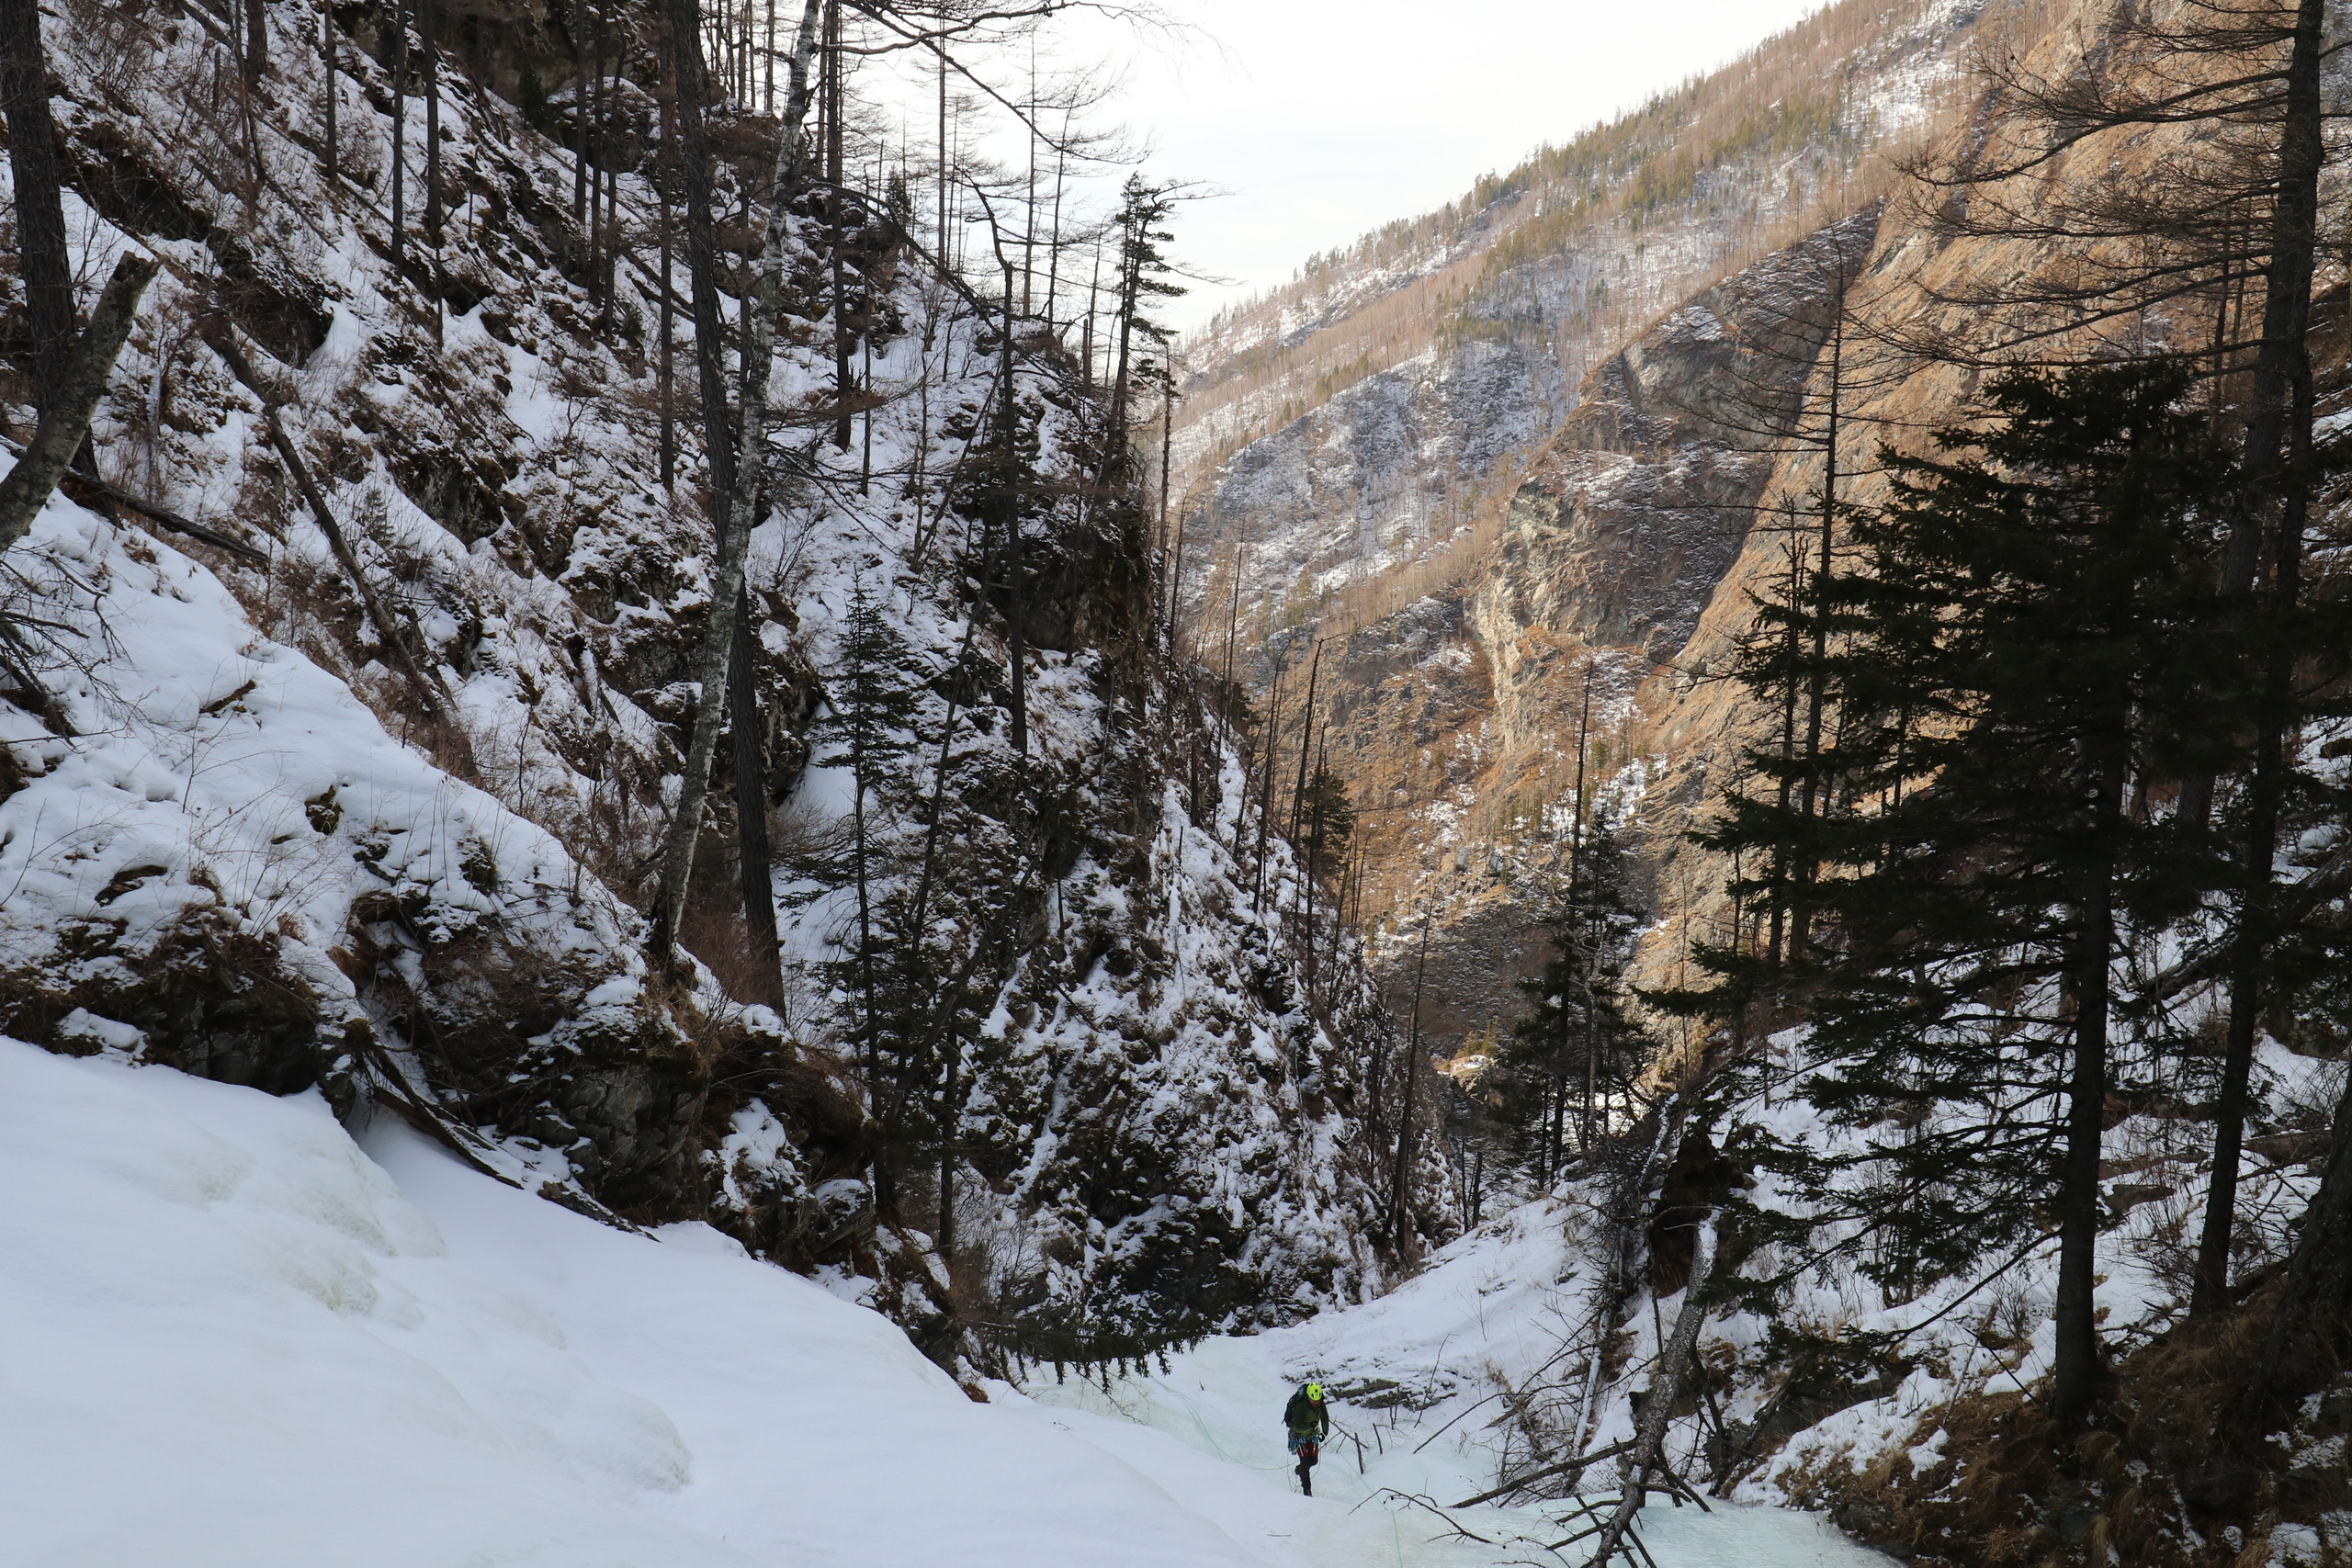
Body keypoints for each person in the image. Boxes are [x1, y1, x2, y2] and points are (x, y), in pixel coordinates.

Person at [1283, 1382, 1329, 1495]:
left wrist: (1325, 1432)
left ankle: (1300, 1470)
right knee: (1306, 1463)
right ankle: (1307, 1490)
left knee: (1313, 1461)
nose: (1315, 1402)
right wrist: (1310, 1426)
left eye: (1317, 1400)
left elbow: (1324, 1417)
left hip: (1312, 1437)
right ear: (1308, 1397)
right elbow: (1297, 1426)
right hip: (1299, 1438)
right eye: (1313, 1400)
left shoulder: (1319, 1404)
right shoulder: (1300, 1406)